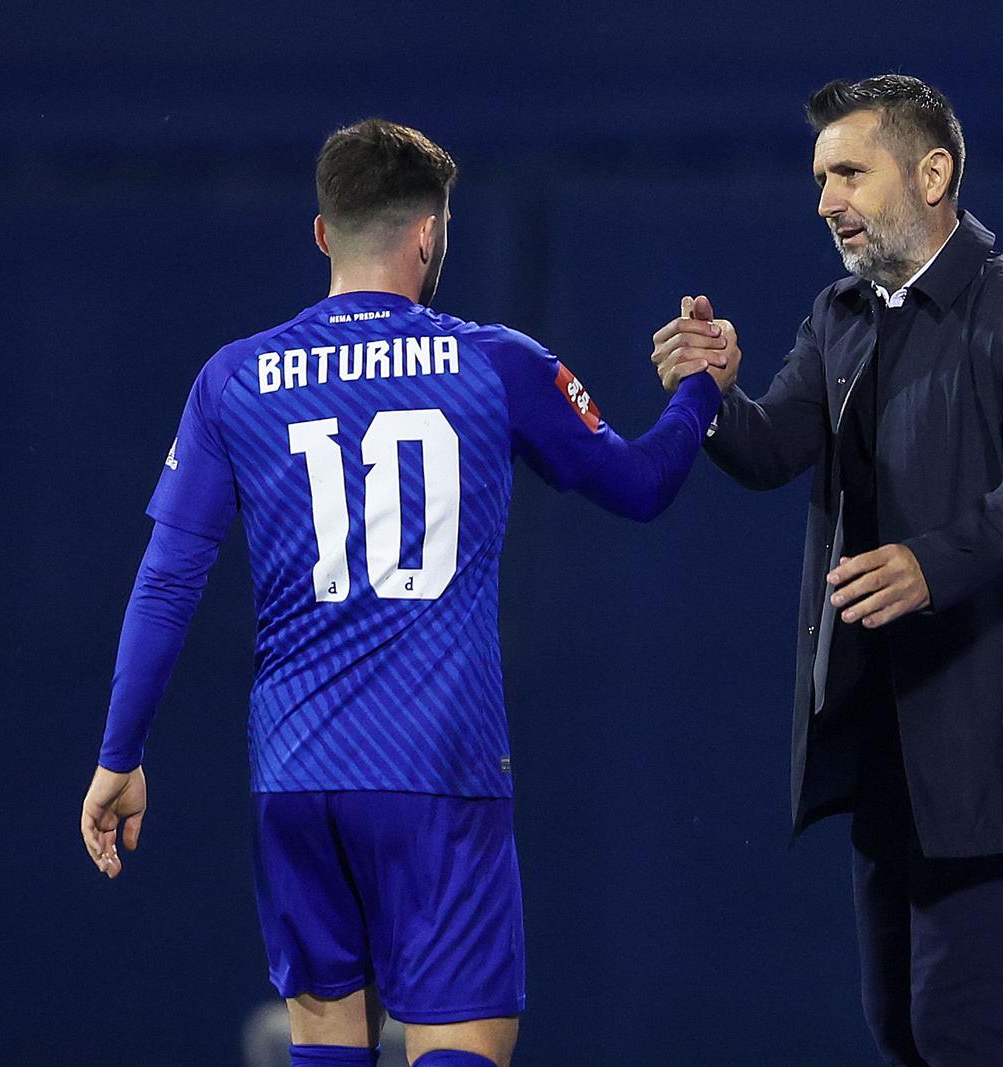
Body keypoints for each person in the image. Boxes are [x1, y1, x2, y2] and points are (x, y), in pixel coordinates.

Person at [79, 118, 726, 1067]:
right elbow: (638, 486)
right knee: (460, 1040)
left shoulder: (234, 379)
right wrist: (700, 391)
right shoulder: (495, 362)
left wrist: (119, 754)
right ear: (430, 234)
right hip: (439, 769)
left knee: (328, 1045)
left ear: (321, 233)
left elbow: (168, 579)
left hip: (296, 774)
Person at [650, 75, 1003, 1066]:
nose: (825, 201)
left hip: (987, 732)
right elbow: (773, 447)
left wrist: (926, 564)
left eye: (850, 172)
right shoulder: (839, 315)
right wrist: (714, 396)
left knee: (961, 1024)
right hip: (878, 730)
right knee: (900, 1025)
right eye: (821, 178)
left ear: (932, 172)